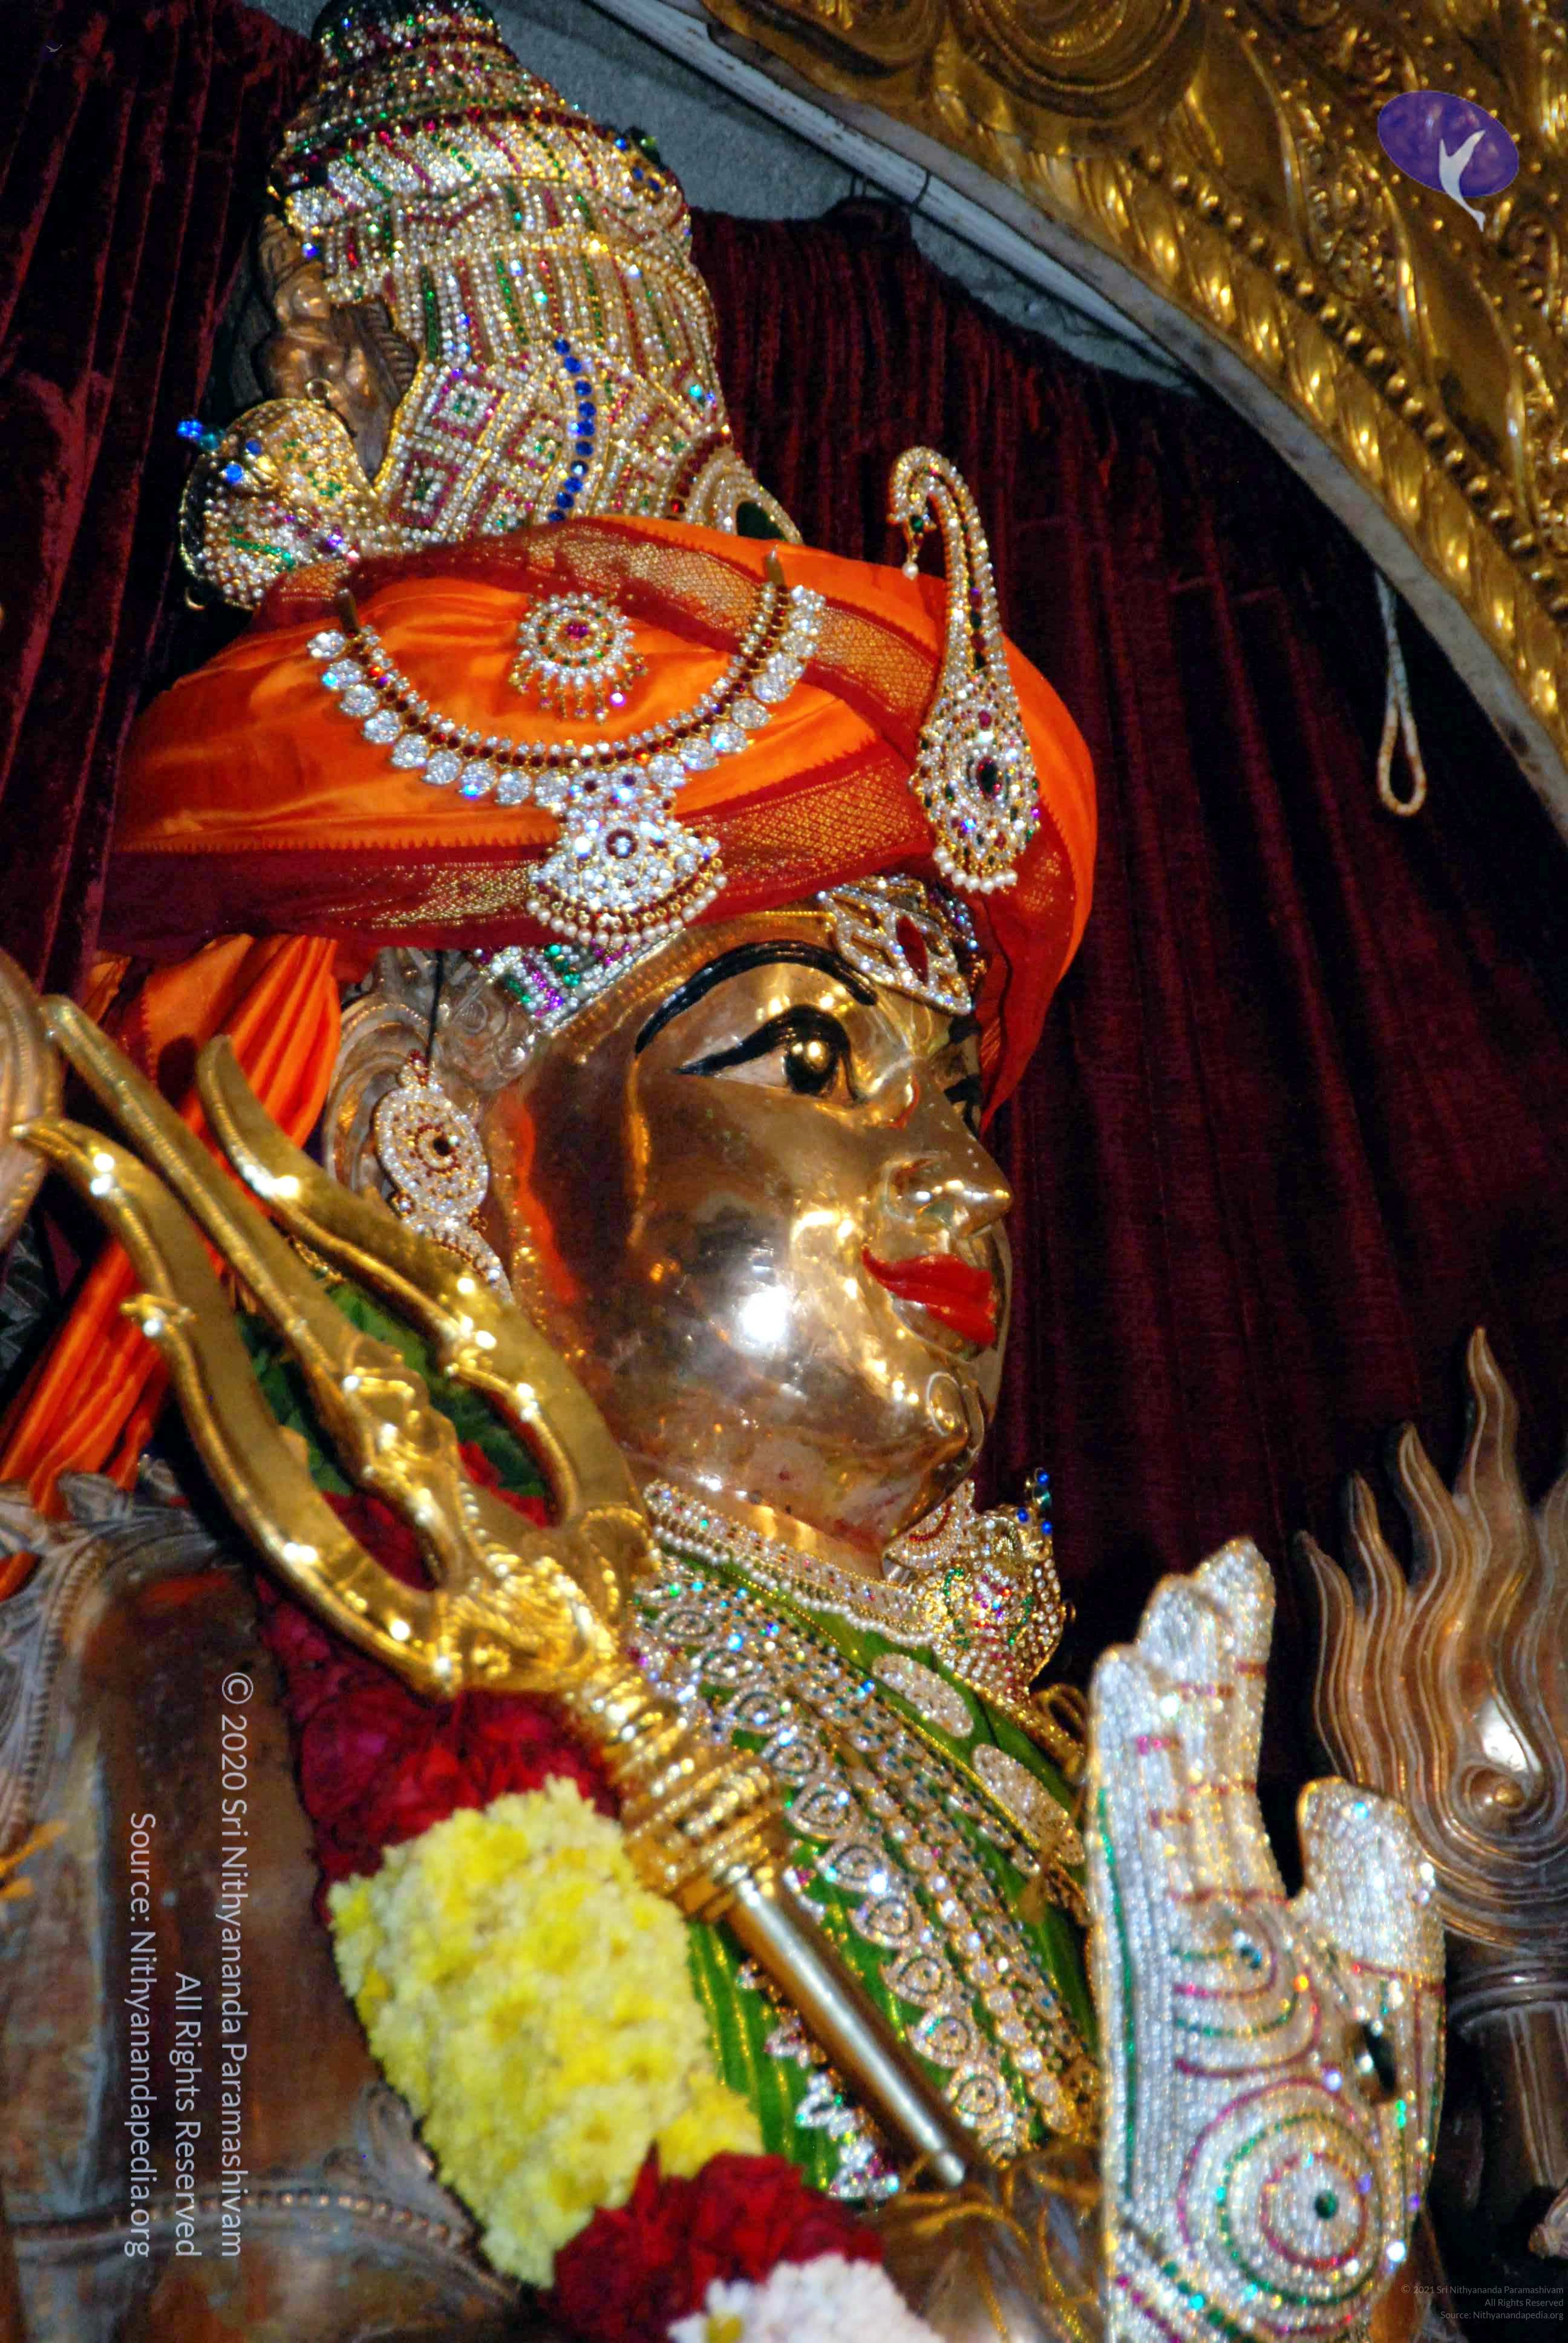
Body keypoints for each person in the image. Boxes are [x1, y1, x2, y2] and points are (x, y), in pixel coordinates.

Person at [0, 5, 1441, 2338]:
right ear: (428, 1130)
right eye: (811, 1056)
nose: (965, 1184)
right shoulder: (223, 1662)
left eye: (949, 1090)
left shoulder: (1056, 1768)